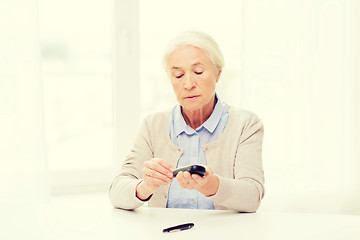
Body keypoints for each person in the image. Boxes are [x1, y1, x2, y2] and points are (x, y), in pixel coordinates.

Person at [109, 31, 264, 212]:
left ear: (218, 73)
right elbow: (116, 193)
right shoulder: (152, 125)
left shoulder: (246, 124)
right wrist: (146, 186)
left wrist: (211, 185)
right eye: (178, 75)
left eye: (198, 71)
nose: (188, 84)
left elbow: (252, 197)